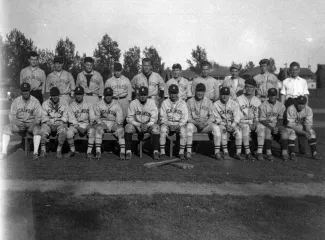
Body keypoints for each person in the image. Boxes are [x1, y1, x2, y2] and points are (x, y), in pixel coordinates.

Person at [0, 83, 42, 160]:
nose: (25, 92)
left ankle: (35, 153)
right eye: (23, 91)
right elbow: (11, 116)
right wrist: (19, 124)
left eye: (27, 90)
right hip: (18, 124)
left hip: (30, 124)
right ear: (21, 92)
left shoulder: (35, 101)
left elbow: (38, 117)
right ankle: (4, 153)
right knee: (6, 128)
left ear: (29, 91)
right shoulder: (16, 101)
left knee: (37, 129)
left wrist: (31, 124)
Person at [186, 83, 221, 160]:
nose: (200, 93)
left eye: (202, 91)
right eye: (198, 91)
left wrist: (207, 123)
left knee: (216, 128)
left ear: (204, 92)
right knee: (188, 127)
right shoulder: (189, 101)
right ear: (195, 91)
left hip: (206, 124)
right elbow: (188, 117)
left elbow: (212, 116)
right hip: (194, 124)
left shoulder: (208, 101)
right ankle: (188, 151)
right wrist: (196, 123)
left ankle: (217, 152)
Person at [125, 86, 160, 160]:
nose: (142, 96)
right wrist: (138, 125)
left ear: (147, 95)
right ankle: (128, 152)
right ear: (138, 95)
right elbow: (129, 118)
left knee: (156, 128)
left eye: (144, 94)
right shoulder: (133, 103)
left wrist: (147, 125)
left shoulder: (151, 103)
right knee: (128, 127)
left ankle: (155, 152)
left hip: (148, 125)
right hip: (136, 125)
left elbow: (154, 118)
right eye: (141, 94)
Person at [93, 87, 125, 160]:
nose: (108, 97)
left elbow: (120, 116)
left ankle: (122, 152)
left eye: (110, 95)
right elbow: (96, 116)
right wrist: (100, 123)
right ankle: (98, 151)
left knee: (120, 130)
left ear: (112, 95)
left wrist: (117, 123)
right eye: (107, 95)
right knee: (98, 128)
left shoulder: (116, 104)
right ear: (104, 95)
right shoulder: (99, 103)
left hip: (113, 122)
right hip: (103, 122)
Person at [237, 79, 265, 160]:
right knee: (245, 127)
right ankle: (247, 152)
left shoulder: (257, 100)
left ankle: (259, 152)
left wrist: (255, 123)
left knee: (261, 128)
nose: (249, 89)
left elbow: (258, 115)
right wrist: (248, 123)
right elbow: (237, 115)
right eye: (247, 87)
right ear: (245, 87)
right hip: (242, 121)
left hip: (254, 121)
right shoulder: (239, 99)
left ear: (254, 88)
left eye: (251, 87)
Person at [286, 96, 320, 161]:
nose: (301, 106)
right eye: (299, 103)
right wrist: (304, 132)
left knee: (311, 132)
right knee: (291, 133)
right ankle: (292, 153)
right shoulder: (291, 108)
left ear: (305, 104)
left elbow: (308, 123)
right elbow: (291, 124)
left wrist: (307, 132)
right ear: (296, 102)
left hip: (302, 126)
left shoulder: (308, 109)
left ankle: (314, 153)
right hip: (291, 127)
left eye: (303, 104)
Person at [259, 88, 289, 161]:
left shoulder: (281, 105)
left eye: (274, 95)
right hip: (267, 125)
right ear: (268, 96)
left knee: (284, 133)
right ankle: (268, 153)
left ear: (277, 96)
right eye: (271, 95)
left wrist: (276, 127)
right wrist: (271, 128)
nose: (272, 97)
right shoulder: (262, 105)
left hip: (277, 124)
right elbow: (262, 120)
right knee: (267, 132)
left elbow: (281, 119)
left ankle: (284, 153)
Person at [213, 87, 243, 160]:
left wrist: (232, 126)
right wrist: (224, 125)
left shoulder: (234, 104)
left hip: (232, 124)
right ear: (220, 95)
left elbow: (237, 117)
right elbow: (216, 118)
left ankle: (238, 153)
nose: (225, 96)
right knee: (223, 131)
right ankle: (225, 152)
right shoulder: (215, 104)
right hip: (221, 124)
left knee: (238, 132)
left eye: (226, 94)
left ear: (229, 95)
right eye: (223, 94)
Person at [66, 86, 96, 159]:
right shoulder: (71, 105)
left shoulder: (89, 104)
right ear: (75, 95)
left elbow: (92, 117)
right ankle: (72, 151)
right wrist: (78, 128)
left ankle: (89, 152)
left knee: (92, 131)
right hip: (76, 125)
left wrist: (90, 125)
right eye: (77, 94)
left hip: (86, 124)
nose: (79, 96)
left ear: (83, 95)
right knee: (69, 132)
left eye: (80, 94)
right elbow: (72, 119)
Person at [160, 84, 188, 159]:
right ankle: (162, 152)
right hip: (168, 124)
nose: (173, 95)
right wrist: (168, 124)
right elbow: (162, 116)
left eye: (175, 93)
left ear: (177, 93)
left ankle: (181, 153)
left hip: (178, 124)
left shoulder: (183, 103)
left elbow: (185, 117)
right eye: (171, 93)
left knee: (183, 130)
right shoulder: (165, 102)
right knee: (162, 129)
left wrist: (179, 125)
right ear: (169, 93)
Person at [40, 87, 69, 158]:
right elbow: (43, 117)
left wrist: (59, 123)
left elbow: (66, 117)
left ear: (59, 95)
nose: (54, 97)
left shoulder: (64, 103)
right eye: (53, 95)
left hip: (60, 123)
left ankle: (59, 150)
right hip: (48, 123)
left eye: (56, 95)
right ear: (50, 95)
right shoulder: (45, 104)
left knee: (63, 130)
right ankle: (43, 150)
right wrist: (48, 122)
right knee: (42, 130)